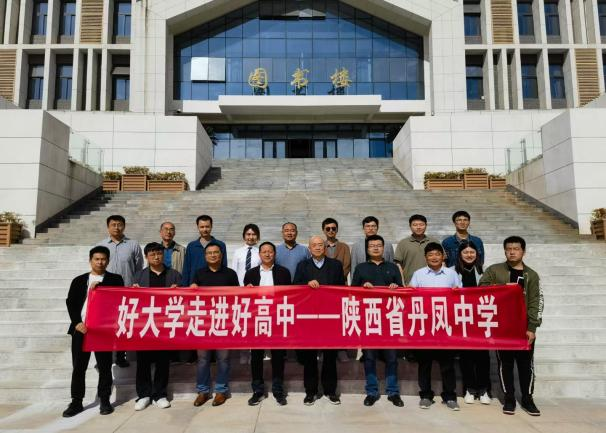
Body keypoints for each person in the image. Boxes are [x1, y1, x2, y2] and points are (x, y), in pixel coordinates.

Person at [479, 236, 543, 416]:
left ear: (523, 251)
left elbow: (536, 302)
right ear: (505, 251)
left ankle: (528, 398)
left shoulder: (532, 275)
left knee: (526, 365)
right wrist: (502, 287)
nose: (512, 252)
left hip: (523, 328)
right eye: (509, 249)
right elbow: (481, 288)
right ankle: (509, 398)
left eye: (516, 249)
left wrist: (532, 327)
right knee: (505, 364)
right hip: (503, 327)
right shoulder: (494, 270)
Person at [62, 246, 124, 417]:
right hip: (81, 329)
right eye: (96, 259)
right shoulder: (79, 280)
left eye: (103, 259)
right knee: (79, 367)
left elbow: (118, 300)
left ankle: (104, 400)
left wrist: (100, 288)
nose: (100, 262)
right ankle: (76, 401)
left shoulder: (115, 279)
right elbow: (71, 303)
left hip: (103, 330)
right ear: (90, 260)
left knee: (104, 366)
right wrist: (77, 322)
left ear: (108, 261)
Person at [351, 234, 404, 407]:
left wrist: (396, 288)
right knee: (369, 357)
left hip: (390, 319)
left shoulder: (392, 267)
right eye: (372, 245)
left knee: (392, 357)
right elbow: (352, 293)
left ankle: (393, 392)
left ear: (384, 248)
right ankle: (372, 392)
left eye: (379, 245)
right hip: (369, 319)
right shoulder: (360, 268)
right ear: (367, 249)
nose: (375, 248)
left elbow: (403, 292)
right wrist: (362, 288)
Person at [293, 236, 346, 406]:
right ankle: (311, 392)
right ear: (309, 248)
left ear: (325, 247)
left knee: (330, 357)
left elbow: (342, 289)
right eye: (314, 245)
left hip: (330, 317)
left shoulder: (335, 265)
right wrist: (306, 284)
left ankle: (330, 391)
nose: (317, 247)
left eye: (320, 245)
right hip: (309, 318)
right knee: (310, 358)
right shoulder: (302, 265)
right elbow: (295, 287)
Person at [410, 242, 462, 411]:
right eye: (430, 254)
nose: (434, 257)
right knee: (424, 364)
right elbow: (409, 296)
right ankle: (425, 395)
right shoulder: (418, 274)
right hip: (425, 326)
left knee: (447, 364)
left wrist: (457, 291)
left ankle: (450, 396)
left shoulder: (451, 274)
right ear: (425, 257)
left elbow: (461, 296)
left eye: (437, 254)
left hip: (445, 326)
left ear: (443, 256)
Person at [131, 242, 182, 411]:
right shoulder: (139, 276)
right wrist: (133, 290)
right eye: (152, 254)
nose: (156, 257)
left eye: (159, 253)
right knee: (143, 361)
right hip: (145, 324)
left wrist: (179, 290)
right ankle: (144, 395)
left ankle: (160, 394)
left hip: (165, 324)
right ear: (146, 257)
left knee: (162, 361)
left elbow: (183, 300)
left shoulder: (174, 275)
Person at [190, 242, 239, 407]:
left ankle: (221, 391)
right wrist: (192, 287)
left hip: (224, 321)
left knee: (223, 358)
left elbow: (238, 296)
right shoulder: (199, 274)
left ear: (221, 255)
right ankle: (202, 391)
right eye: (209, 253)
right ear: (205, 256)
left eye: (216, 252)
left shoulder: (230, 274)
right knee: (203, 359)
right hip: (203, 322)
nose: (213, 255)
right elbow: (192, 296)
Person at [243, 241, 291, 406]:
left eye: (270, 251)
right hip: (257, 319)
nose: (267, 254)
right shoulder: (250, 273)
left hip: (277, 319)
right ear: (259, 254)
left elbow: (289, 295)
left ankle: (278, 390)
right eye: (264, 251)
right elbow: (245, 297)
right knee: (256, 356)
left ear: (274, 254)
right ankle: (257, 390)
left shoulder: (284, 272)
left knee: (278, 356)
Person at [96, 214, 143, 368]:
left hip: (126, 291)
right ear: (108, 227)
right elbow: (96, 267)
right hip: (106, 291)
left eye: (119, 224)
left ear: (124, 226)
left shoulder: (133, 245)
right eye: (113, 224)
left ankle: (121, 356)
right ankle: (104, 356)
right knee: (105, 325)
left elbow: (138, 268)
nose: (116, 227)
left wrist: (136, 284)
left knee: (123, 324)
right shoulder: (101, 245)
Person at [452, 240, 491, 406]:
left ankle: (484, 389)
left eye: (472, 252)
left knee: (483, 356)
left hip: (481, 319)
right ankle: (469, 389)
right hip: (462, 319)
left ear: (477, 254)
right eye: (465, 252)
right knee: (466, 356)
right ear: (460, 255)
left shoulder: (485, 271)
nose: (469, 255)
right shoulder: (452, 272)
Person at [322, 217, 352, 363]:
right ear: (323, 230)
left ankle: (341, 349)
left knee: (340, 319)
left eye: (333, 228)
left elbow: (346, 265)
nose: (331, 231)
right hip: (322, 289)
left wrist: (334, 279)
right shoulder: (319, 246)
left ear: (337, 230)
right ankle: (324, 349)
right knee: (324, 320)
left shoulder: (344, 247)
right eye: (328, 229)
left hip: (340, 287)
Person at [181, 215, 227, 286]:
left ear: (211, 226)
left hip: (215, 284)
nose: (205, 229)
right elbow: (186, 268)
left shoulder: (220, 245)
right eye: (202, 227)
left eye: (207, 226)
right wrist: (184, 286)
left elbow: (224, 265)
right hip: (195, 285)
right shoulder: (191, 246)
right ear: (198, 227)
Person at [395, 214, 439, 285]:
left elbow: (442, 262)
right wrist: (402, 284)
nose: (418, 227)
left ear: (426, 225)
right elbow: (398, 265)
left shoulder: (435, 242)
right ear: (410, 226)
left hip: (433, 283)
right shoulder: (403, 243)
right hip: (410, 284)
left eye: (421, 224)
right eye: (415, 225)